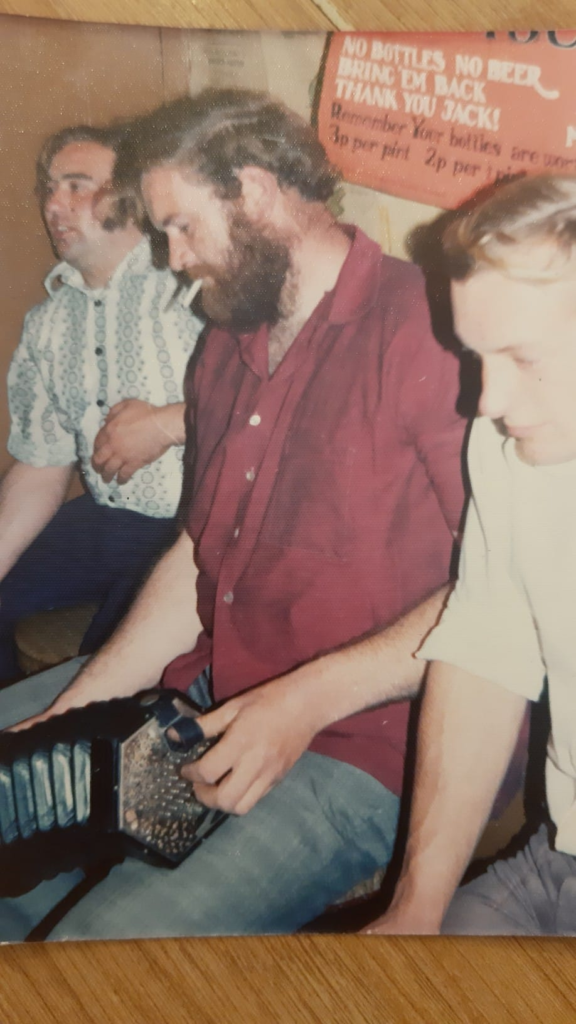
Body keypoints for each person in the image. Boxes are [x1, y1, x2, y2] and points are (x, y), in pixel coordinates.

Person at [0, 89, 466, 941]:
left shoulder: (430, 330)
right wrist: (85, 695)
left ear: (253, 191)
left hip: (370, 743)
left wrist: (301, 701)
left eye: (180, 227)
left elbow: (500, 592)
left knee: (93, 959)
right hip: (209, 691)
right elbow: (196, 556)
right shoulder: (225, 345)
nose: (173, 260)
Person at [365, 173, 576, 937]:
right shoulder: (505, 448)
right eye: (476, 357)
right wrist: (415, 907)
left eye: (524, 357)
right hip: (559, 858)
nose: (483, 401)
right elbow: (489, 651)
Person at [0, 123, 203, 679]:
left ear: (133, 195)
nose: (54, 205)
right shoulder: (47, 324)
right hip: (107, 521)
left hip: (195, 527)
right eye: (48, 187)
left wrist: (166, 425)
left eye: (76, 185)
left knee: (106, 665)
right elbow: (42, 464)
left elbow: (266, 405)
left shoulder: (191, 287)